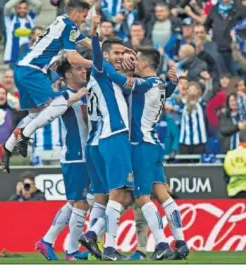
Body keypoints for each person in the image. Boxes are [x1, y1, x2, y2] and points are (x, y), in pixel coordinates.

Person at [0, 0, 94, 174]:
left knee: (34, 114)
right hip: (33, 71)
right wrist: (97, 64)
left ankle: (7, 147)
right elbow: (73, 58)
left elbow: (86, 41)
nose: (84, 20)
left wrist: (103, 49)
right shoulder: (70, 25)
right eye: (84, 16)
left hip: (22, 68)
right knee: (58, 104)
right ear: (75, 13)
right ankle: (25, 136)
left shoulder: (62, 21)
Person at [79, 18, 135, 261]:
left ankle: (94, 235)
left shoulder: (107, 78)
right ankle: (108, 245)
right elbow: (100, 60)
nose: (121, 56)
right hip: (113, 135)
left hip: (101, 138)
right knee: (120, 194)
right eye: (117, 53)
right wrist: (94, 35)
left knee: (117, 195)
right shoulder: (100, 70)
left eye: (123, 52)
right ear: (105, 54)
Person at [128, 47, 189, 260]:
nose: (132, 63)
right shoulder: (159, 84)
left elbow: (114, 78)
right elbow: (165, 89)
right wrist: (172, 82)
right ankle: (180, 242)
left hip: (141, 144)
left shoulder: (143, 84)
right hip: (153, 142)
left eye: (135, 60)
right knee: (163, 195)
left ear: (144, 64)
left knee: (142, 196)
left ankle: (162, 243)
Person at [35, 61, 89, 261]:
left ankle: (47, 241)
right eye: (78, 69)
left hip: (85, 155)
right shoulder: (64, 96)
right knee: (81, 203)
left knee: (77, 202)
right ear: (67, 75)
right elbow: (47, 106)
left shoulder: (84, 93)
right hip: (75, 156)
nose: (83, 70)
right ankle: (71, 250)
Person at [3, 0, 42, 69]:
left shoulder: (31, 17)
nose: (22, 10)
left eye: (24, 8)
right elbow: (7, 7)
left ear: (27, 9)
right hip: (13, 55)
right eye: (19, 8)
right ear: (15, 9)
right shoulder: (10, 18)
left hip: (28, 54)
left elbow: (38, 5)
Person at [179, 82, 208, 156]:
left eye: (194, 90)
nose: (192, 92)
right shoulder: (182, 103)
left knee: (198, 166)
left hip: (199, 142)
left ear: (199, 92)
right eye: (190, 90)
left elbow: (209, 91)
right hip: (184, 142)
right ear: (187, 92)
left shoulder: (202, 103)